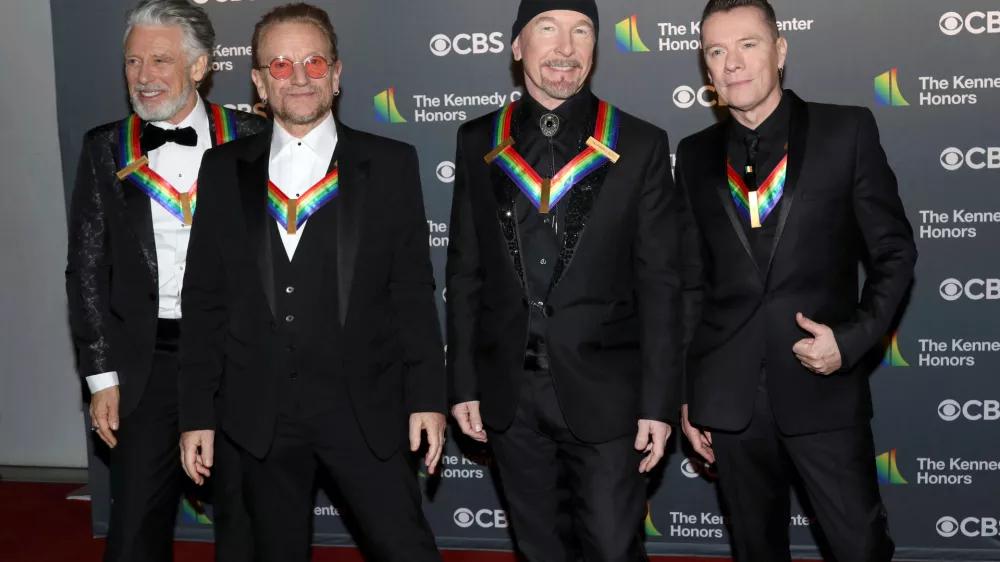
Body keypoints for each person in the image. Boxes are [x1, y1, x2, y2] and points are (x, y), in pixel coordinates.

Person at [177, 4, 446, 561]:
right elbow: (204, 300)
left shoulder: (389, 163)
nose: (298, 77)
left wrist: (427, 397)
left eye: (313, 61)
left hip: (363, 408)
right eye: (279, 65)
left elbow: (413, 293)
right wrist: (196, 413)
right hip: (258, 417)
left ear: (337, 73)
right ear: (257, 81)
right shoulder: (223, 169)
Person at [676, 1, 916, 561]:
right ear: (706, 68)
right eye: (717, 51)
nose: (733, 62)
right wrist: (688, 394)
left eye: (748, 44)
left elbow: (894, 251)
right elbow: (689, 281)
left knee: (860, 547)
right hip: (730, 401)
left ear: (780, 51)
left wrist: (852, 339)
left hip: (822, 385)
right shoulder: (693, 155)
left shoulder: (846, 129)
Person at [446, 0, 684, 559]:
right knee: (539, 549)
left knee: (612, 547)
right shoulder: (478, 140)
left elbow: (660, 284)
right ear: (516, 47)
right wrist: (462, 383)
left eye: (581, 32)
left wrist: (658, 401)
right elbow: (465, 271)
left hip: (608, 397)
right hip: (510, 396)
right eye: (547, 29)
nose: (565, 48)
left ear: (596, 48)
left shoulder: (641, 143)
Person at [65, 1, 265, 560]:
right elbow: (86, 266)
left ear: (200, 67)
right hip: (145, 362)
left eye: (159, 60)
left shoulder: (254, 136)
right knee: (132, 533)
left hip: (237, 356)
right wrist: (101, 376)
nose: (143, 77)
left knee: (248, 522)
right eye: (132, 62)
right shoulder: (104, 147)